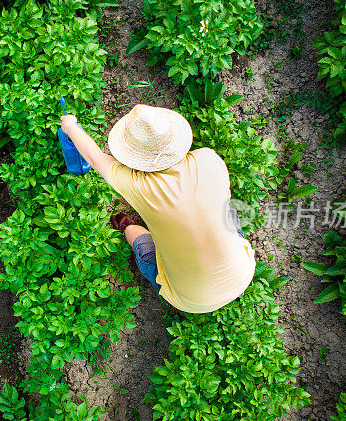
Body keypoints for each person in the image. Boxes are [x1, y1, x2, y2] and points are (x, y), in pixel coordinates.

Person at [59, 104, 255, 313]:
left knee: (134, 232)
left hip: (192, 300)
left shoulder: (139, 185)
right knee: (228, 213)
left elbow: (95, 160)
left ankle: (125, 225)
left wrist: (70, 126)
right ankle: (233, 290)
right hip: (242, 274)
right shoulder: (209, 158)